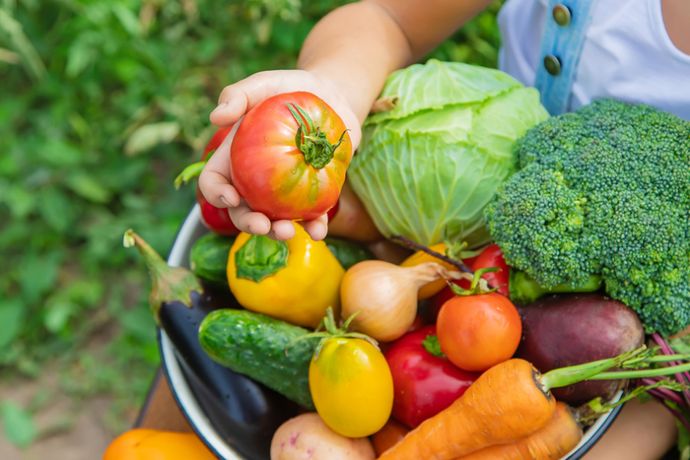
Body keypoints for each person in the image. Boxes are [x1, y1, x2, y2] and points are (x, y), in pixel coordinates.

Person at [196, 1, 690, 458]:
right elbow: (389, 15)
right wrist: (332, 92)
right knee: (192, 384)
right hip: (456, 237)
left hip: (634, 360)